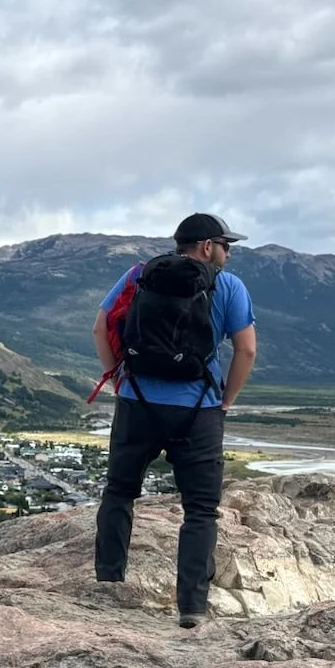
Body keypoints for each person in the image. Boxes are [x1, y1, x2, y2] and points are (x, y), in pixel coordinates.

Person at [91, 213, 257, 627]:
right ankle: (192, 609)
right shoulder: (228, 286)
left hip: (137, 401)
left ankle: (108, 586)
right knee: (200, 510)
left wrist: (118, 380)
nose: (229, 252)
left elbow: (100, 328)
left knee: (119, 493)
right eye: (225, 244)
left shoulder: (138, 274)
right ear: (206, 247)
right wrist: (225, 400)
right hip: (199, 409)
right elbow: (246, 351)